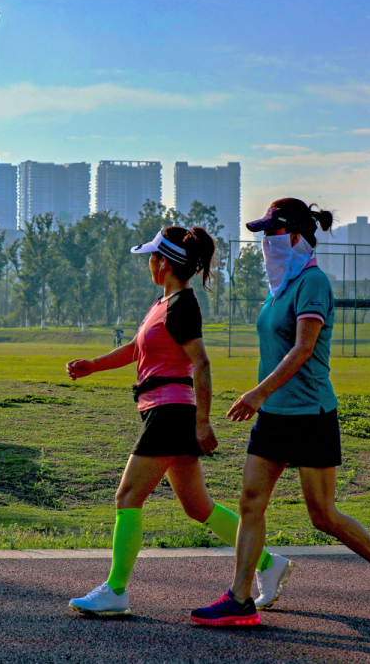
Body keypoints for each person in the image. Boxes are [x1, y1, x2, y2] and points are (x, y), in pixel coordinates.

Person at [191, 198, 370, 627]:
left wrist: (257, 393)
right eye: (263, 233)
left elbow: (303, 349)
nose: (265, 240)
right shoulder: (279, 286)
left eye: (272, 232)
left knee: (322, 515)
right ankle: (240, 599)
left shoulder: (313, 282)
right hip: (275, 415)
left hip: (310, 414)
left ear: (295, 235)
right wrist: (265, 400)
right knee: (250, 502)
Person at [66, 226, 292, 618]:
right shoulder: (163, 302)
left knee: (127, 497)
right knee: (198, 507)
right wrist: (93, 366)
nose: (148, 264)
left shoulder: (183, 304)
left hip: (170, 412)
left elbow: (201, 363)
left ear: (164, 263)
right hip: (164, 410)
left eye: (152, 257)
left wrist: (203, 423)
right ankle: (269, 563)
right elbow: (136, 348)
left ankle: (115, 589)